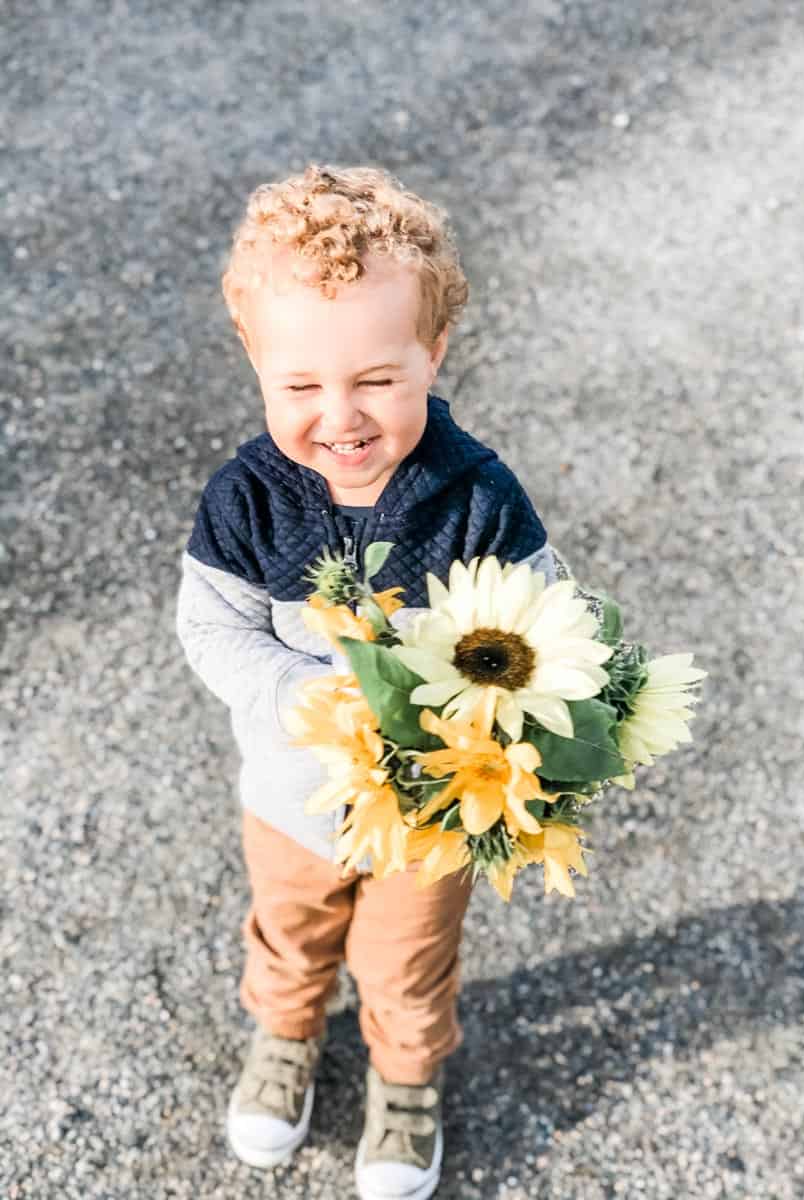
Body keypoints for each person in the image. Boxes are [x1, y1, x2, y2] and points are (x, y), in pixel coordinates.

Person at [176, 164, 555, 1200]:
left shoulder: (475, 494)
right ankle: (288, 1035)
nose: (339, 416)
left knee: (407, 963)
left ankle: (404, 1080)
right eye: (300, 386)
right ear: (255, 360)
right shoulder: (247, 500)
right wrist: (303, 692)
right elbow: (209, 629)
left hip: (431, 811)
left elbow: (540, 615)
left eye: (378, 380)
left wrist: (516, 707)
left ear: (433, 352)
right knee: (290, 935)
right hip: (292, 799)